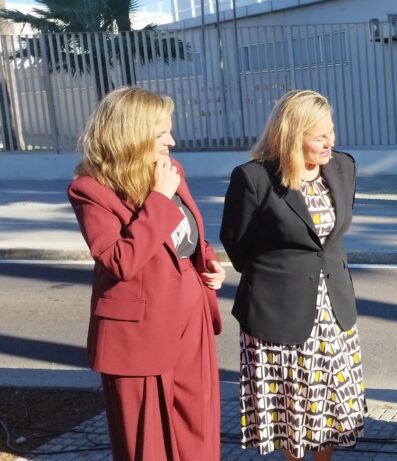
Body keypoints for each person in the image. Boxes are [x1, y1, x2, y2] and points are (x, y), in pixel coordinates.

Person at [67, 86, 225, 460]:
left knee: (198, 433)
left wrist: (207, 259)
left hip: (192, 319)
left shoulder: (170, 171)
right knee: (147, 445)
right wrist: (157, 198)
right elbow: (120, 260)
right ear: (129, 136)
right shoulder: (90, 189)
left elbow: (184, 236)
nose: (171, 140)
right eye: (160, 134)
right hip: (137, 334)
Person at [220, 90, 363, 461]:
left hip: (333, 312)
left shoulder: (344, 167)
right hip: (278, 313)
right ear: (291, 135)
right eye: (319, 135)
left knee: (329, 410)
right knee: (294, 413)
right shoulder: (253, 179)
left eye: (331, 131)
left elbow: (332, 237)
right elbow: (236, 243)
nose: (330, 141)